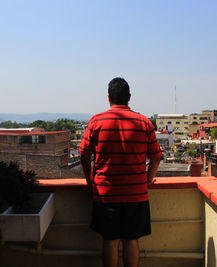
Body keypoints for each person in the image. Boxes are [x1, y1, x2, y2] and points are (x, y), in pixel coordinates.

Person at [79, 77, 162, 267]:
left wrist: (89, 180)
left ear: (109, 98)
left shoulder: (96, 121)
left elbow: (83, 156)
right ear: (129, 97)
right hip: (136, 195)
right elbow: (156, 157)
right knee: (131, 240)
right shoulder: (144, 123)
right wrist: (148, 180)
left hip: (106, 195)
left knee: (110, 240)